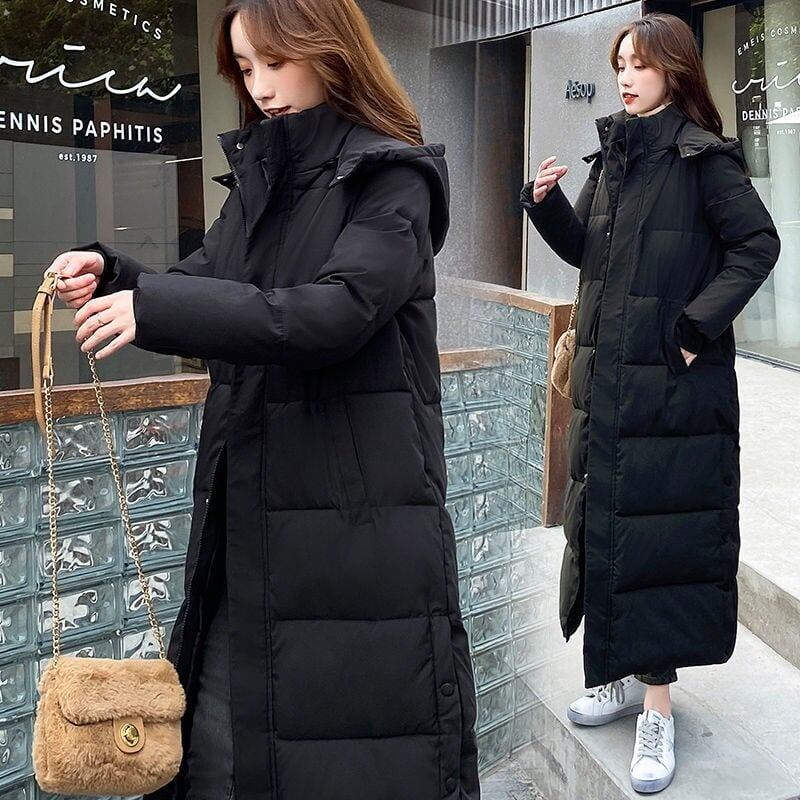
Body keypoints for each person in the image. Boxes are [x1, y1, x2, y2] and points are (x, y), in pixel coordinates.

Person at [44, 1, 480, 798]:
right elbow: (210, 276)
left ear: (329, 48)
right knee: (224, 756)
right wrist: (116, 276)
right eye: (246, 68)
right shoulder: (262, 172)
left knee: (350, 759)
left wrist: (154, 307)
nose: (260, 87)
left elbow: (334, 312)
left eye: (275, 63)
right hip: (248, 511)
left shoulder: (393, 175)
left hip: (354, 528)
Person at [520, 12, 780, 795]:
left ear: (673, 68)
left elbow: (758, 245)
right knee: (606, 530)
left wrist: (695, 330)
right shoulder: (617, 155)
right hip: (608, 383)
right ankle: (615, 677)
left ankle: (657, 709)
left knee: (658, 545)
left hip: (672, 391)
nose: (625, 77)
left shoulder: (703, 158)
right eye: (619, 64)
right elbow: (587, 253)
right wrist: (546, 205)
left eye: (638, 63)